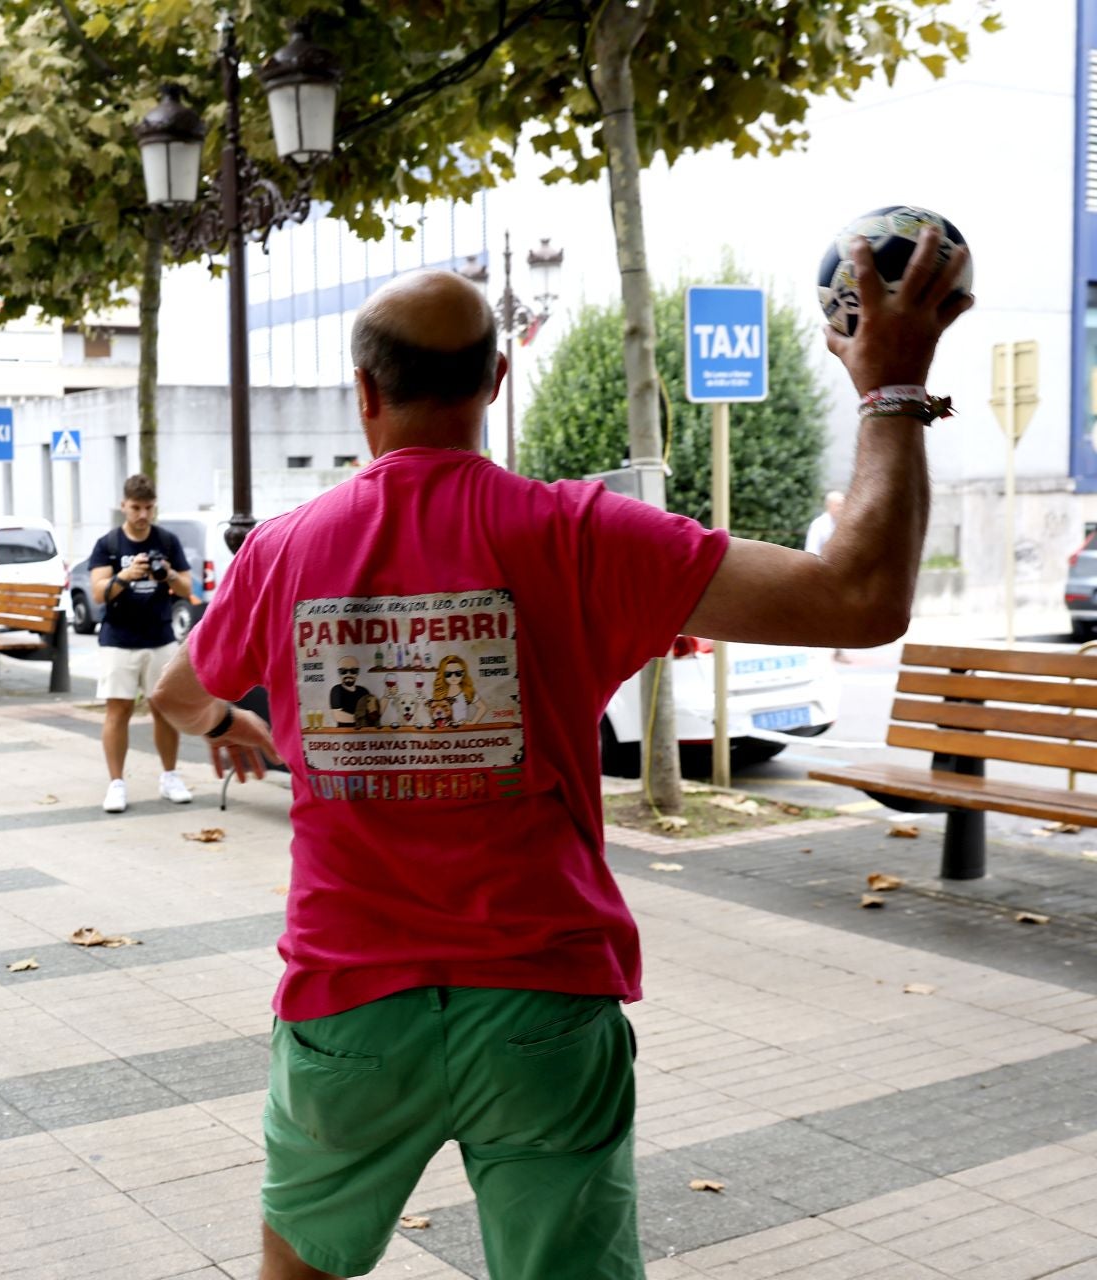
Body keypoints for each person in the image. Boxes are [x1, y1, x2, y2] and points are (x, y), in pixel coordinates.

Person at [150, 230, 971, 1280]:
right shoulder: (583, 535)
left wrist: (229, 726)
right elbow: (861, 599)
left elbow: (177, 695)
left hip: (347, 1007)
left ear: (364, 392)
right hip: (541, 999)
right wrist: (892, 391)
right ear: (497, 378)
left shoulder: (281, 551)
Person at [89, 474, 196, 812]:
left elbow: (186, 588)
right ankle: (116, 784)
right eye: (136, 508)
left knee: (163, 709)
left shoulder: (167, 541)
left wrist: (168, 574)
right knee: (117, 711)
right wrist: (125, 575)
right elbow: (98, 593)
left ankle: (170, 777)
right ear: (124, 506)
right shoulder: (108, 544)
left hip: (160, 637)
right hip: (118, 639)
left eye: (149, 508)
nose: (142, 515)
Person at [805, 492, 850, 660]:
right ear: (829, 506)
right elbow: (811, 551)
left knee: (841, 613)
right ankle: (816, 651)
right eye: (839, 504)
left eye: (844, 504)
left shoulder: (845, 524)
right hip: (822, 576)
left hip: (840, 577)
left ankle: (838, 651)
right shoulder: (819, 525)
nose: (842, 508)